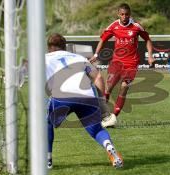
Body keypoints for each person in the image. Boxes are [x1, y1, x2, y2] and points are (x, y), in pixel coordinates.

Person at [45, 33, 123, 169]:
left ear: (49, 48)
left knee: (45, 122)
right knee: (97, 130)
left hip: (62, 96)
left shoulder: (44, 58)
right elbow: (98, 76)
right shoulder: (79, 58)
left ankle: (48, 159)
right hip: (87, 96)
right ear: (65, 46)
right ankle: (109, 146)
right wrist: (101, 100)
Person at [90, 3, 154, 127]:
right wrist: (96, 55)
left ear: (130, 14)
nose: (124, 17)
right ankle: (102, 115)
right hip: (116, 62)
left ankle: (113, 117)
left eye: (127, 14)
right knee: (108, 88)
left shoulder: (136, 26)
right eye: (122, 14)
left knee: (124, 88)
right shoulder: (114, 26)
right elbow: (103, 39)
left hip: (131, 63)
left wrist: (150, 55)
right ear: (118, 14)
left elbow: (147, 39)